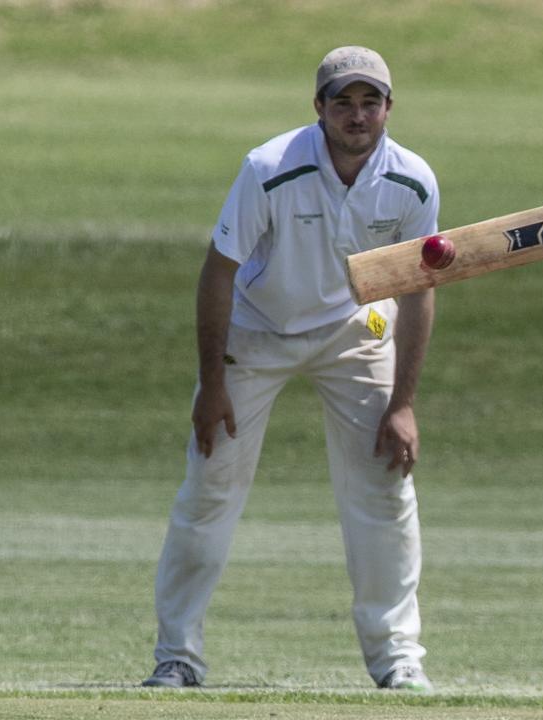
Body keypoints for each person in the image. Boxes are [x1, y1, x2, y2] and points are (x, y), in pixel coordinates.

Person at [141, 46, 439, 692]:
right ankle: (177, 655)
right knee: (210, 484)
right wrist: (212, 383)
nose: (356, 116)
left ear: (389, 107)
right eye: (342, 102)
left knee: (384, 491)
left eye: (369, 102)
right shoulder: (268, 167)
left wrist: (403, 402)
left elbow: (418, 288)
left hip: (357, 331)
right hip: (257, 329)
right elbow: (219, 270)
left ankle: (397, 660)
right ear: (319, 109)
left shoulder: (413, 180)